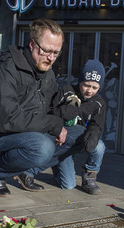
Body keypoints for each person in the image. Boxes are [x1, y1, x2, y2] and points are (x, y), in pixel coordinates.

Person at [0, 18, 85, 197]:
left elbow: (50, 110)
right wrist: (52, 124)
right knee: (43, 147)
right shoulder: (6, 68)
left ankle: (26, 170)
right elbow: (5, 120)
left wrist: (67, 105)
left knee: (81, 134)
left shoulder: (47, 73)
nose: (51, 58)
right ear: (32, 44)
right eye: (47, 51)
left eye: (56, 53)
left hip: (31, 133)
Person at [51, 59, 107, 194]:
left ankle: (89, 177)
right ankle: (57, 166)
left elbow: (97, 124)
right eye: (86, 85)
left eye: (95, 87)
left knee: (99, 146)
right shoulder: (67, 91)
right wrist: (58, 127)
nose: (89, 90)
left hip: (79, 140)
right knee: (68, 185)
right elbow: (52, 111)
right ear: (80, 81)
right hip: (61, 140)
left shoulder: (99, 103)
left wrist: (93, 136)